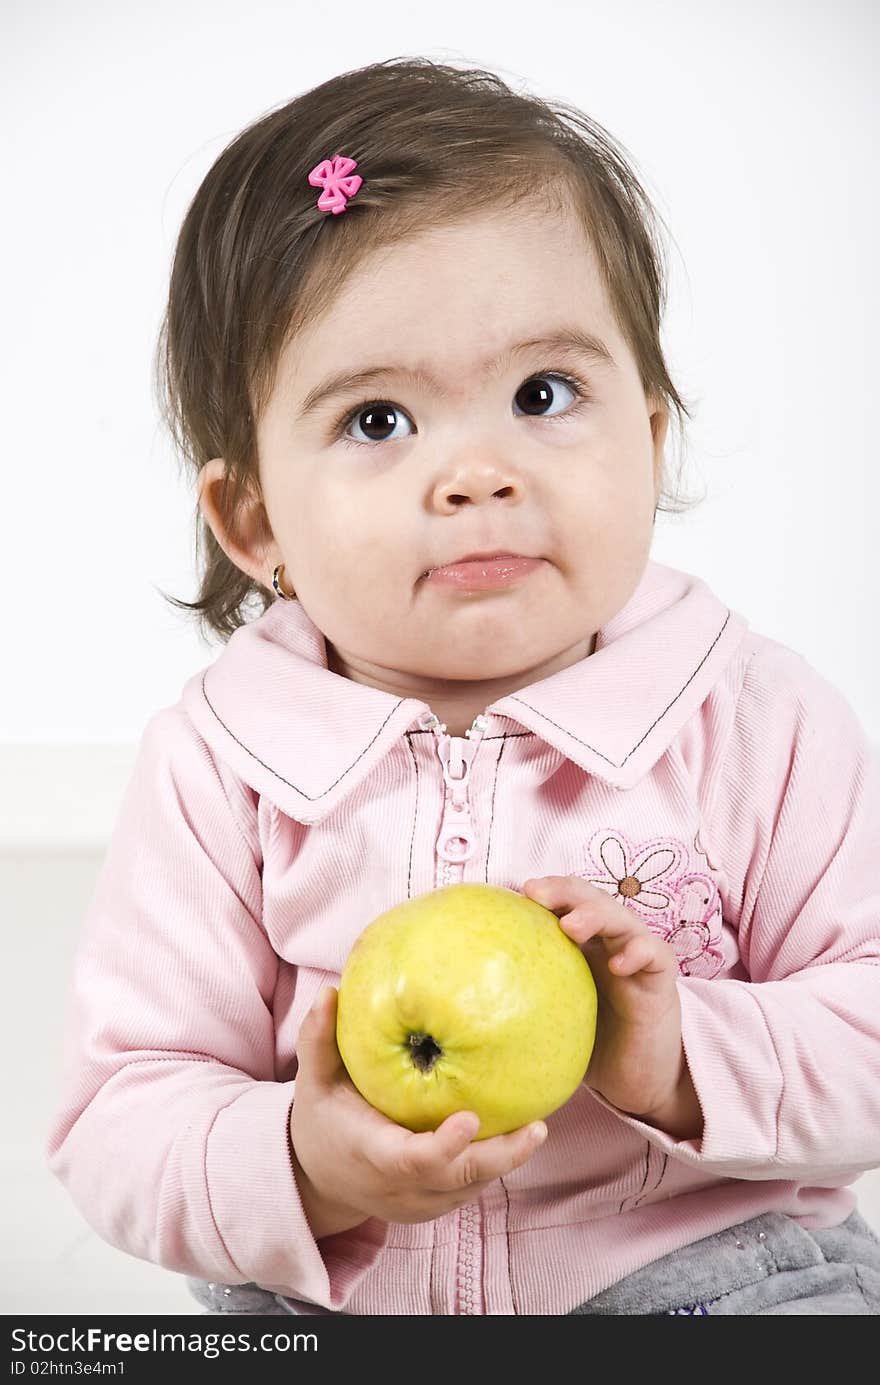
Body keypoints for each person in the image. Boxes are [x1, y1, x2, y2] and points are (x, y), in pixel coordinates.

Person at [46, 56, 880, 1317]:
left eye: (543, 395)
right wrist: (305, 1165)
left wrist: (680, 1057)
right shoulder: (224, 763)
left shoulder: (752, 722)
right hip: (329, 1299)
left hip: (709, 1271)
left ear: (649, 438)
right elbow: (120, 1114)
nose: (478, 472)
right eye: (379, 421)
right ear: (252, 517)